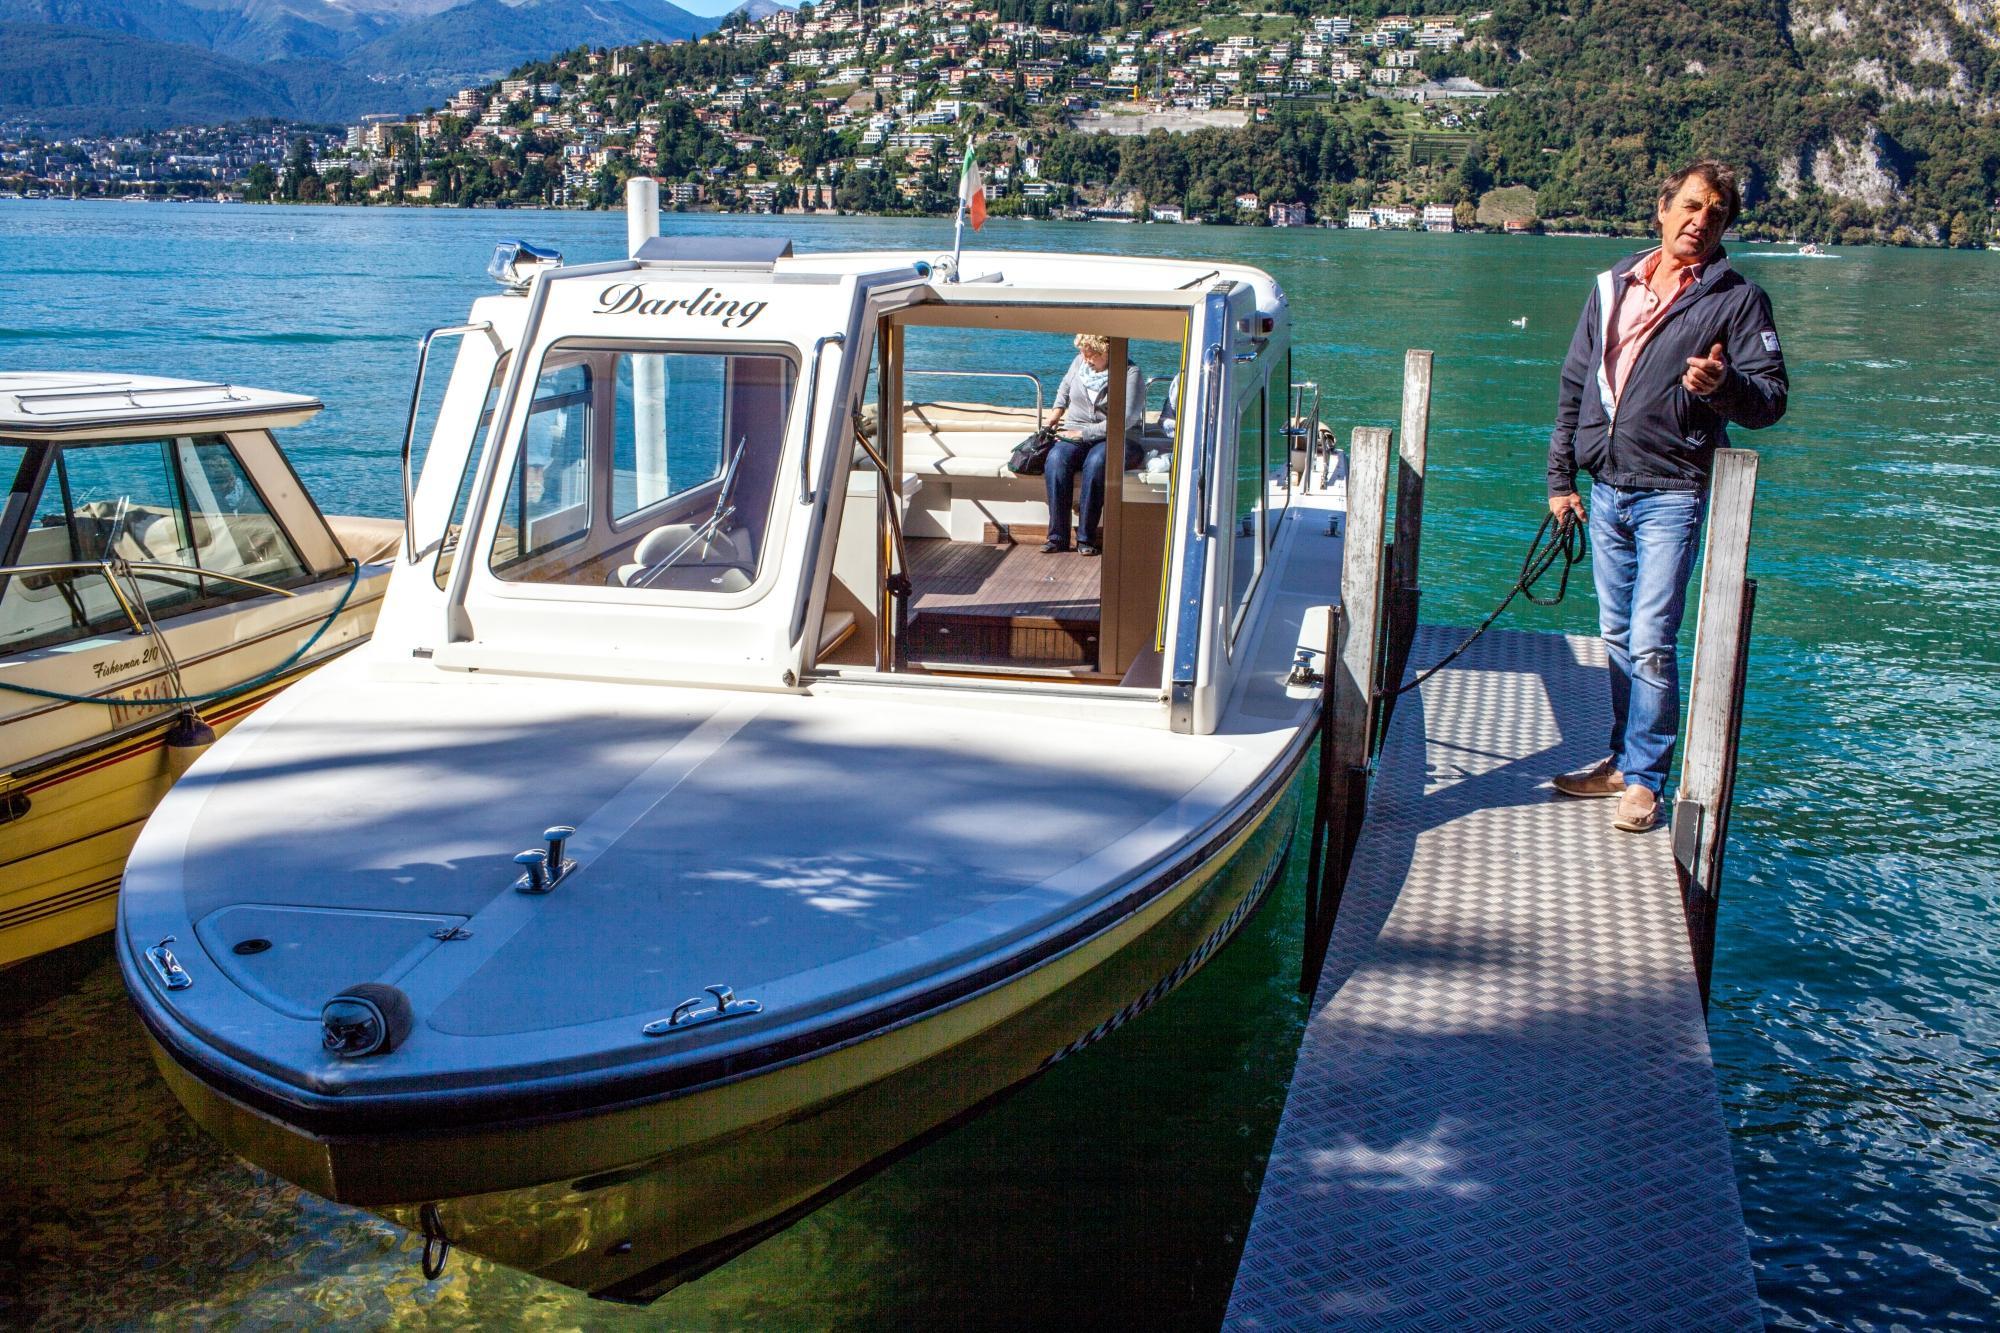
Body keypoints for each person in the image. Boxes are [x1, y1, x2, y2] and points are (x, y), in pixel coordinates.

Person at [1546, 159, 1788, 833]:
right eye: (1690, 205)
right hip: (1606, 488)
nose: (1699, 221)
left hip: (1672, 491)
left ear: (1725, 227)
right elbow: (1576, 384)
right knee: (1619, 635)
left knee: (1652, 638)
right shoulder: (1611, 284)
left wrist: (1722, 385)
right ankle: (1625, 760)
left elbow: (1771, 399)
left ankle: (1646, 777)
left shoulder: (1737, 299)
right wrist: (1561, 479)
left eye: (1714, 213)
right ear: (1663, 208)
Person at [1043, 333, 1144, 555]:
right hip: (1078, 430)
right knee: (1056, 459)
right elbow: (1065, 387)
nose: (1086, 359)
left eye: (1092, 355)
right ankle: (1057, 536)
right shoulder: (1079, 362)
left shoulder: (1130, 373)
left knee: (1097, 461)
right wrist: (1056, 413)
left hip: (1117, 436)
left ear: (1108, 352)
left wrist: (1085, 433)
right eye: (1083, 353)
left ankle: (1086, 538)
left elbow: (1126, 419)